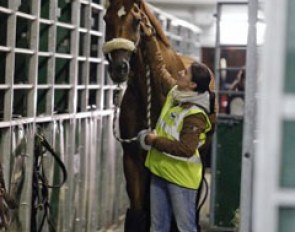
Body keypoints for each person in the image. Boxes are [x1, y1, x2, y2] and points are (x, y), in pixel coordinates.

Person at [139, 14, 216, 232]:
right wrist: (150, 37)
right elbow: (159, 68)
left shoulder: (195, 114)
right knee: (158, 227)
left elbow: (185, 148)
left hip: (181, 179)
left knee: (185, 228)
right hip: (160, 171)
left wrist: (155, 140)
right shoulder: (176, 92)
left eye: (185, 73)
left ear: (192, 85)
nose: (180, 72)